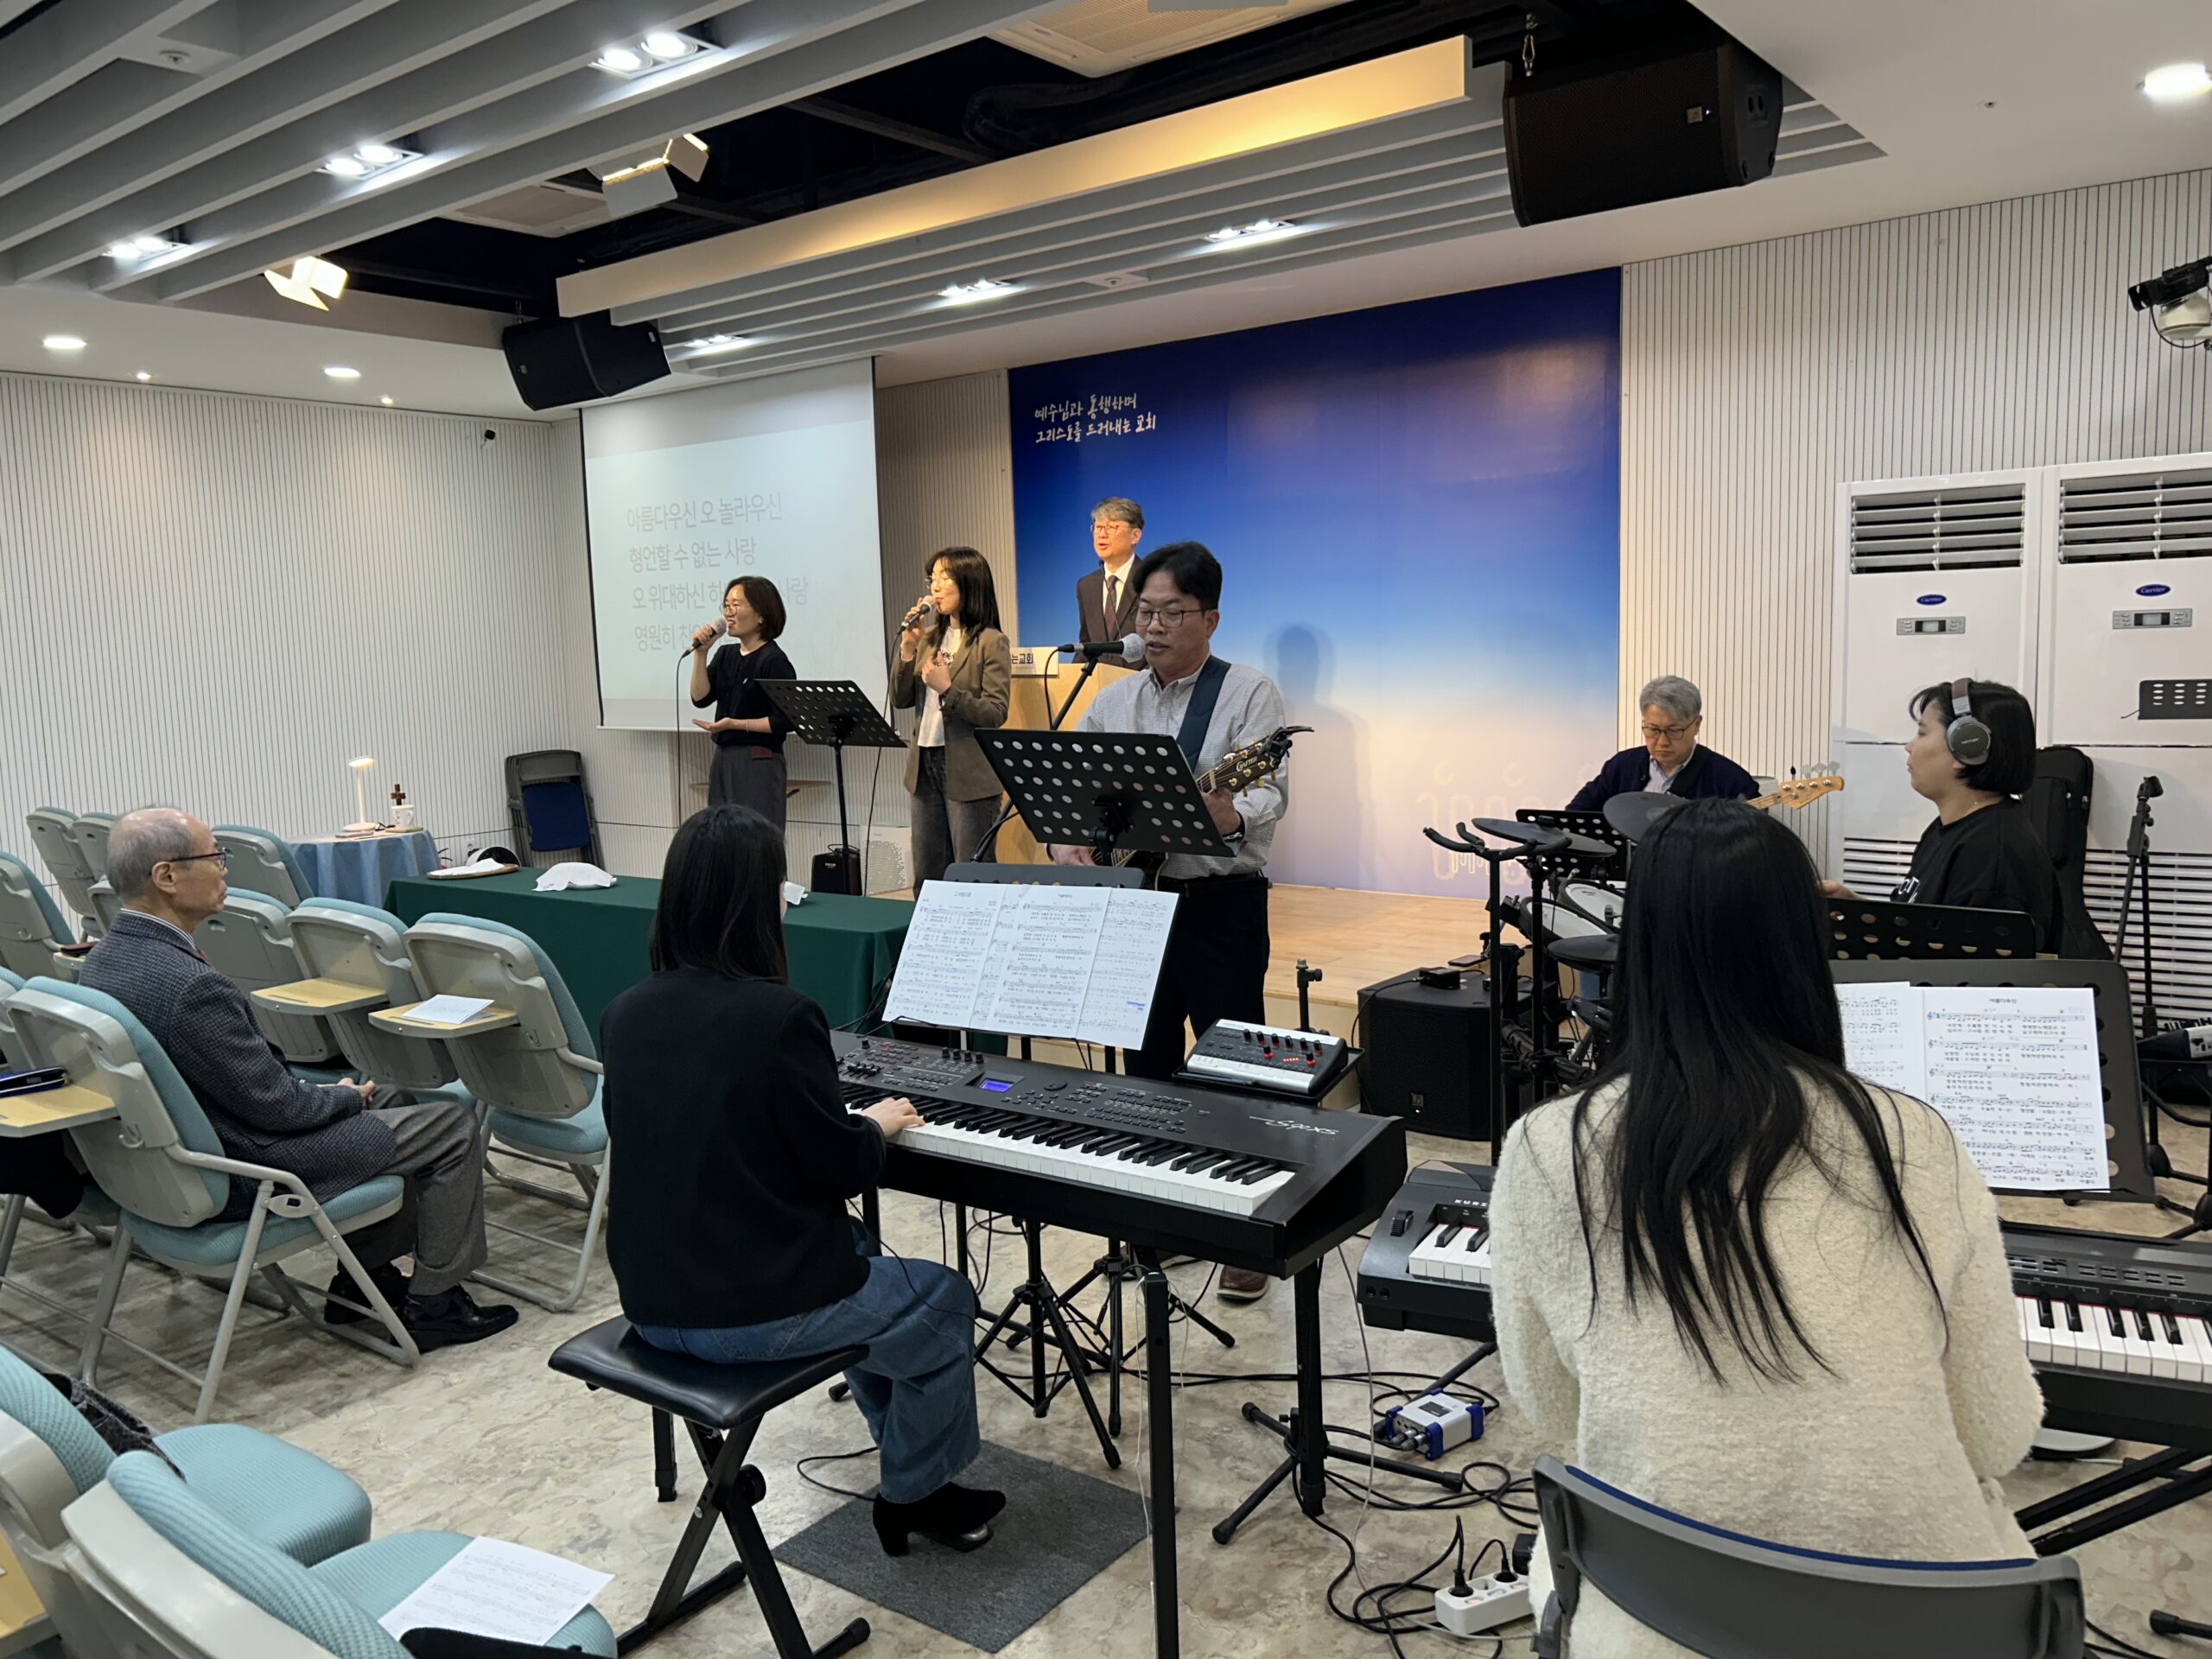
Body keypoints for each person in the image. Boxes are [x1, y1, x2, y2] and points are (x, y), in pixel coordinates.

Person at [1488, 798, 2044, 1659]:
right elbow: (1997, 1435)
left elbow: (1556, 1414)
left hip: (1653, 1625)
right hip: (1924, 1630)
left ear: (1638, 949)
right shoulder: (1917, 1141)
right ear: (1805, 948)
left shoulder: (1545, 1150)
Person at [600, 805, 1004, 1555]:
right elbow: (839, 1166)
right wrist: (875, 1125)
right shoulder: (778, 1015)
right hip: (742, 1314)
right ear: (757, 902)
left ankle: (908, 1467)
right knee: (945, 1300)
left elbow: (670, 1142)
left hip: (652, 1298)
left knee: (863, 1256)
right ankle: (916, 1493)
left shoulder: (625, 1012)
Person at [78, 809, 514, 1350]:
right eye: (214, 857)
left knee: (397, 1097)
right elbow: (278, 1108)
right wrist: (341, 1099)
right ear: (166, 876)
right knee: (450, 1126)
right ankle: (436, 1303)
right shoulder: (189, 986)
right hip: (251, 1163)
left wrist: (333, 1096)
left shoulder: (104, 959)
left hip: (192, 1149)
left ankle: (363, 1279)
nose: (224, 869)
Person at [1052, 541, 1287, 1303]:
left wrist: (1226, 811)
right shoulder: (1113, 702)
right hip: (1136, 907)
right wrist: (1065, 840)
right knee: (1145, 1070)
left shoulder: (1248, 694)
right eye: (1144, 612)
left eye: (1169, 613)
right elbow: (1072, 793)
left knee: (1233, 1070)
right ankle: (1159, 1219)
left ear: (1209, 619)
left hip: (1219, 907)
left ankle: (1245, 1234)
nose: (1151, 627)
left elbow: (1267, 796)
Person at [1822, 678, 2064, 953]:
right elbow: (1925, 934)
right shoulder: (1950, 829)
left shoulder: (1991, 856)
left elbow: (1966, 971)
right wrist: (1858, 912)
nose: (1909, 746)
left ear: (1967, 747)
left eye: (1922, 733)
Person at [892, 548, 1013, 886]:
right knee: (928, 872)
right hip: (924, 764)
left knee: (971, 873)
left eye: (945, 578)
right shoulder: (929, 638)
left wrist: (948, 690)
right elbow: (900, 699)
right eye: (933, 579)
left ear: (970, 583)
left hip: (967, 769)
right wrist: (907, 649)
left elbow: (995, 712)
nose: (936, 587)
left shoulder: (991, 642)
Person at [688, 575, 797, 835]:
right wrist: (701, 653)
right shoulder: (726, 654)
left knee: (757, 837)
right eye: (726, 605)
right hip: (723, 757)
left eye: (736, 605)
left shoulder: (773, 660)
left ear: (761, 616)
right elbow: (700, 698)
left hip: (758, 760)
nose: (729, 613)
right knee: (722, 836)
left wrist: (735, 724)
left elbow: (785, 720)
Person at [1566, 675, 1758, 811]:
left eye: (1674, 731)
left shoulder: (1730, 780)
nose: (1662, 741)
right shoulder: (1622, 767)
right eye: (1653, 730)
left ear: (1696, 725)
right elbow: (1576, 815)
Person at [1077, 497, 1145, 645]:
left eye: (1111, 527)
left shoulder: (1151, 579)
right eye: (1098, 527)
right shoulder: (1086, 586)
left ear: (1135, 536)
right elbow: (1086, 644)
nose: (1102, 534)